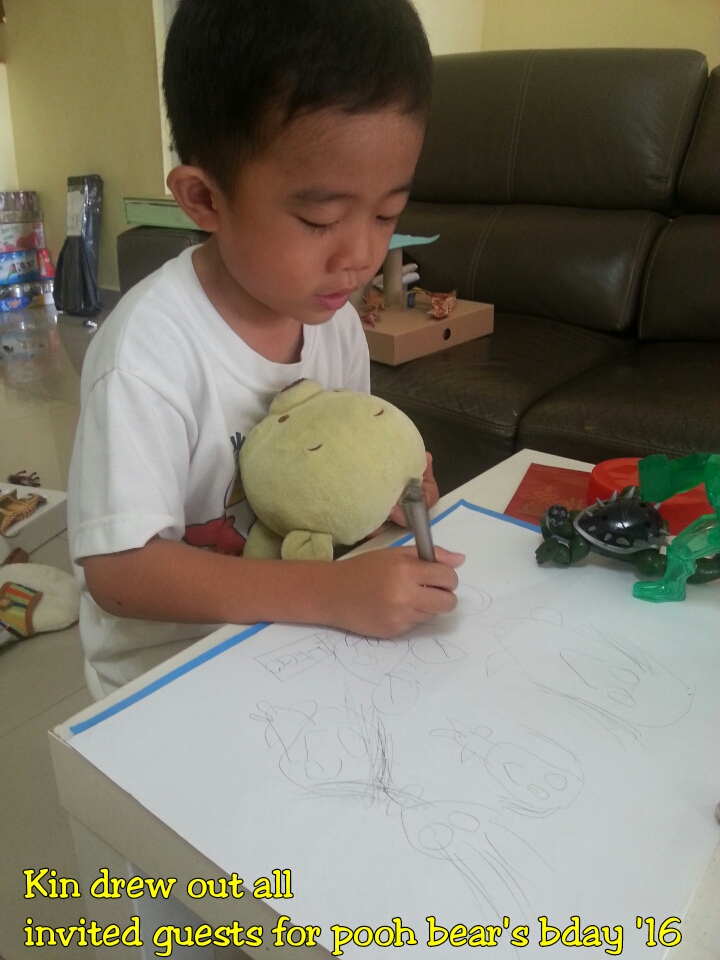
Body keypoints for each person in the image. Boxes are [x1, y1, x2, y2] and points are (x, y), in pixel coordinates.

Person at [68, 0, 463, 696]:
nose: (361, 255)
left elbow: (332, 481)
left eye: (387, 214)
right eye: (319, 219)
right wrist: (332, 594)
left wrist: (387, 495)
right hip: (171, 685)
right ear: (205, 200)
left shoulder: (335, 323)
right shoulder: (147, 354)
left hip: (295, 649)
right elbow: (120, 573)